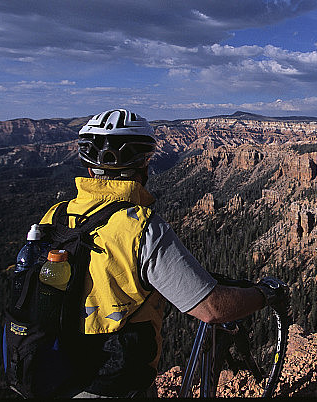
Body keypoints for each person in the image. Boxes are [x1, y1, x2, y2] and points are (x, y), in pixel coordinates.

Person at [40, 108, 286, 397]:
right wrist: (265, 294)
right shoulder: (140, 228)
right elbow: (212, 309)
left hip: (51, 372)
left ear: (89, 167)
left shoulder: (54, 217)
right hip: (114, 383)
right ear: (145, 164)